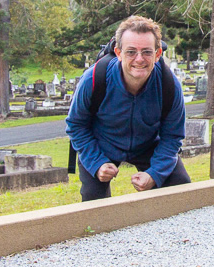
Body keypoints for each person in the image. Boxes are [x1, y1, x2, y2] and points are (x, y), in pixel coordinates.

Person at [66, 15, 191, 202]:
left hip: (148, 144)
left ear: (157, 54)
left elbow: (172, 136)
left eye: (147, 52)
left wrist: (155, 174)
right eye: (131, 52)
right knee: (93, 206)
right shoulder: (94, 79)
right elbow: (76, 125)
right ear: (118, 53)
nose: (139, 59)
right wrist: (97, 163)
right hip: (101, 144)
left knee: (180, 191)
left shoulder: (169, 85)